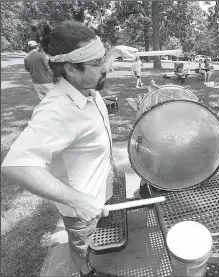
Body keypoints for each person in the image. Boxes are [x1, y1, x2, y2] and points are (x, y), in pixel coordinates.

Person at [1, 21, 137, 277]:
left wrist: (113, 52)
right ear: (71, 69)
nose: (105, 68)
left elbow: (99, 68)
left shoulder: (83, 84)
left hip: (104, 190)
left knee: (104, 243)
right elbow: (16, 165)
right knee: (84, 249)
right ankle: (87, 271)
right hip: (82, 210)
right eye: (97, 64)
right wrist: (78, 201)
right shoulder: (58, 110)